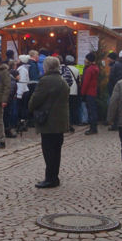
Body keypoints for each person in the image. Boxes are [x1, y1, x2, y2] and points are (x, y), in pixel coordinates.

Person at [28, 56, 69, 188]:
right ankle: (54, 177)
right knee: (56, 151)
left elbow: (35, 99)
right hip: (60, 121)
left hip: (48, 120)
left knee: (48, 151)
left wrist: (31, 107)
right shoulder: (62, 80)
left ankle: (50, 178)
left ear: (46, 67)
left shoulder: (45, 81)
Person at [82, 52, 99, 135]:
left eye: (86, 58)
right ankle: (94, 127)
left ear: (88, 60)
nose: (84, 60)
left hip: (89, 92)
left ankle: (92, 128)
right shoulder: (95, 68)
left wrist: (82, 93)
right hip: (93, 91)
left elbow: (85, 82)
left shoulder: (89, 70)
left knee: (91, 111)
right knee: (93, 110)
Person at [64, 55, 81, 130]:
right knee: (73, 107)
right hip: (74, 91)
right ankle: (74, 121)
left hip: (66, 90)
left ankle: (68, 121)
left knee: (66, 107)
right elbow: (78, 80)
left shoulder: (64, 69)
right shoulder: (76, 69)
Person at [16, 55, 30, 132]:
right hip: (23, 91)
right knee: (22, 108)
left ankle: (22, 124)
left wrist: (19, 94)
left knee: (22, 109)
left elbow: (22, 82)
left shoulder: (22, 70)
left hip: (22, 91)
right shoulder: (23, 69)